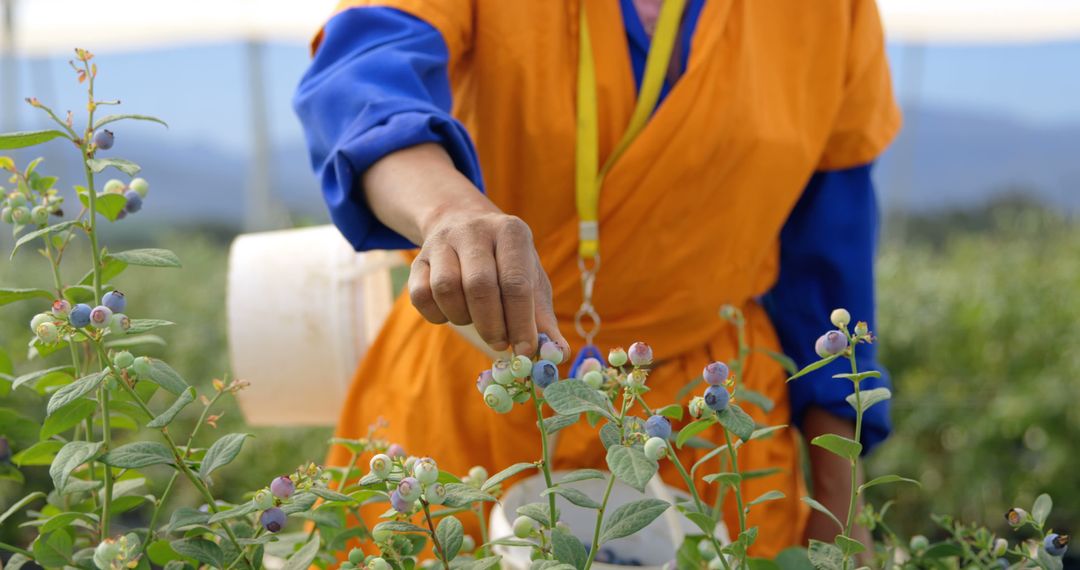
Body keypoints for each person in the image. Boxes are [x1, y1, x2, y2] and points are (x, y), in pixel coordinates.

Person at [294, 0, 899, 557]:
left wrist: (842, 513)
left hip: (704, 425)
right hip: (480, 378)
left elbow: (828, 260)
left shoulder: (831, 12)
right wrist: (448, 211)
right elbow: (362, 72)